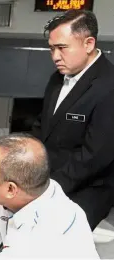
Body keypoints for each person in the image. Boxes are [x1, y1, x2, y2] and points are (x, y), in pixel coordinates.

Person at [32, 9, 114, 230]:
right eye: (51, 49)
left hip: (86, 189)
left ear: (88, 44)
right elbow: (43, 126)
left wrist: (48, 189)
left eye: (62, 48)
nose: (55, 57)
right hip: (47, 179)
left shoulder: (109, 85)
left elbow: (95, 155)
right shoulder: (57, 78)